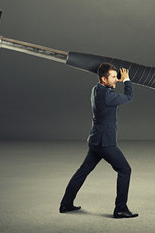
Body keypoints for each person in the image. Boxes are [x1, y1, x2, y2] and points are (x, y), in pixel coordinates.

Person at [59, 63, 138, 218]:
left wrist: (116, 80)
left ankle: (66, 204)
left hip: (95, 140)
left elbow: (111, 90)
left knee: (83, 171)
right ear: (103, 78)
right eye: (113, 77)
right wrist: (127, 80)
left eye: (117, 76)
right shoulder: (107, 95)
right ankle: (120, 209)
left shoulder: (97, 89)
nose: (117, 80)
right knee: (125, 170)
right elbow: (129, 97)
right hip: (105, 143)